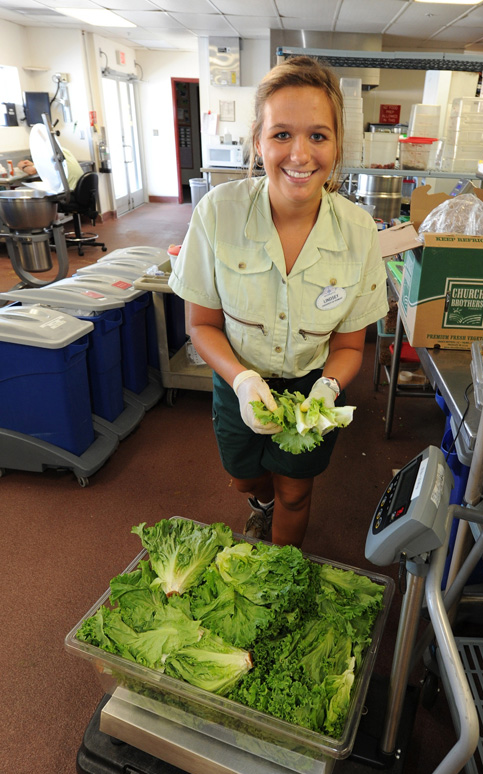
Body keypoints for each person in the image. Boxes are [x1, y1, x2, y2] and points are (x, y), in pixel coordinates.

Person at [168, 56, 388, 548]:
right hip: (237, 377)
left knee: (296, 492)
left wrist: (329, 388)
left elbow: (351, 346)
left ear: (337, 144)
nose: (301, 154)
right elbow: (201, 324)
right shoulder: (218, 214)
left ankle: (280, 568)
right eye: (282, 134)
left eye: (318, 135)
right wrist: (244, 381)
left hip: (313, 384)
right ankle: (258, 501)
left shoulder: (357, 231)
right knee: (245, 476)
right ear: (258, 141)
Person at [18, 145, 83, 190]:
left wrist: (22, 166)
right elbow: (55, 164)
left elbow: (32, 171)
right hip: (80, 190)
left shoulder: (48, 153)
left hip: (69, 192)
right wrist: (35, 164)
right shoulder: (62, 150)